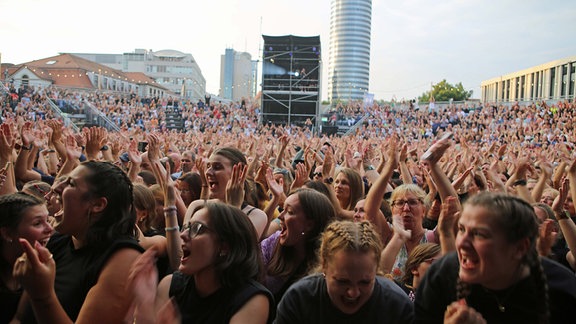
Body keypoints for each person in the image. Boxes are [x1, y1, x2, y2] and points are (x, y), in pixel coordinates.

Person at [415, 192, 576, 323]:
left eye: (479, 234)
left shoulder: (562, 291)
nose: (462, 243)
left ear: (520, 248)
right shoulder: (441, 277)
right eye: (461, 229)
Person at [14, 161, 144, 323]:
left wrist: (42, 295)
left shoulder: (124, 257)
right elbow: (19, 318)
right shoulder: (57, 241)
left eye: (71, 183)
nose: (55, 187)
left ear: (97, 205)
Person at [128, 201, 274, 323]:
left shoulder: (252, 300)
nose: (182, 235)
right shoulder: (170, 285)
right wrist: (144, 307)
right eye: (186, 227)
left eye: (197, 229)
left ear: (224, 246)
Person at [275, 220, 414, 323]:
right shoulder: (299, 299)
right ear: (324, 265)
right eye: (342, 281)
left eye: (365, 282)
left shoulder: (397, 306)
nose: (353, 292)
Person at [260, 188, 334, 303]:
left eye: (289, 212)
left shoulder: (327, 266)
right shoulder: (273, 242)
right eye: (282, 209)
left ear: (309, 225)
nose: (280, 217)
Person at [186, 147, 268, 238]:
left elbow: (236, 249)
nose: (208, 172)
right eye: (208, 166)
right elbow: (181, 249)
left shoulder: (256, 216)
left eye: (217, 167)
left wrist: (233, 207)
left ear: (238, 174)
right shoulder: (197, 206)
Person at [0, 192, 53, 323]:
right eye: (37, 223)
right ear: (7, 233)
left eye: (48, 220)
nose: (50, 228)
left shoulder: (38, 268)